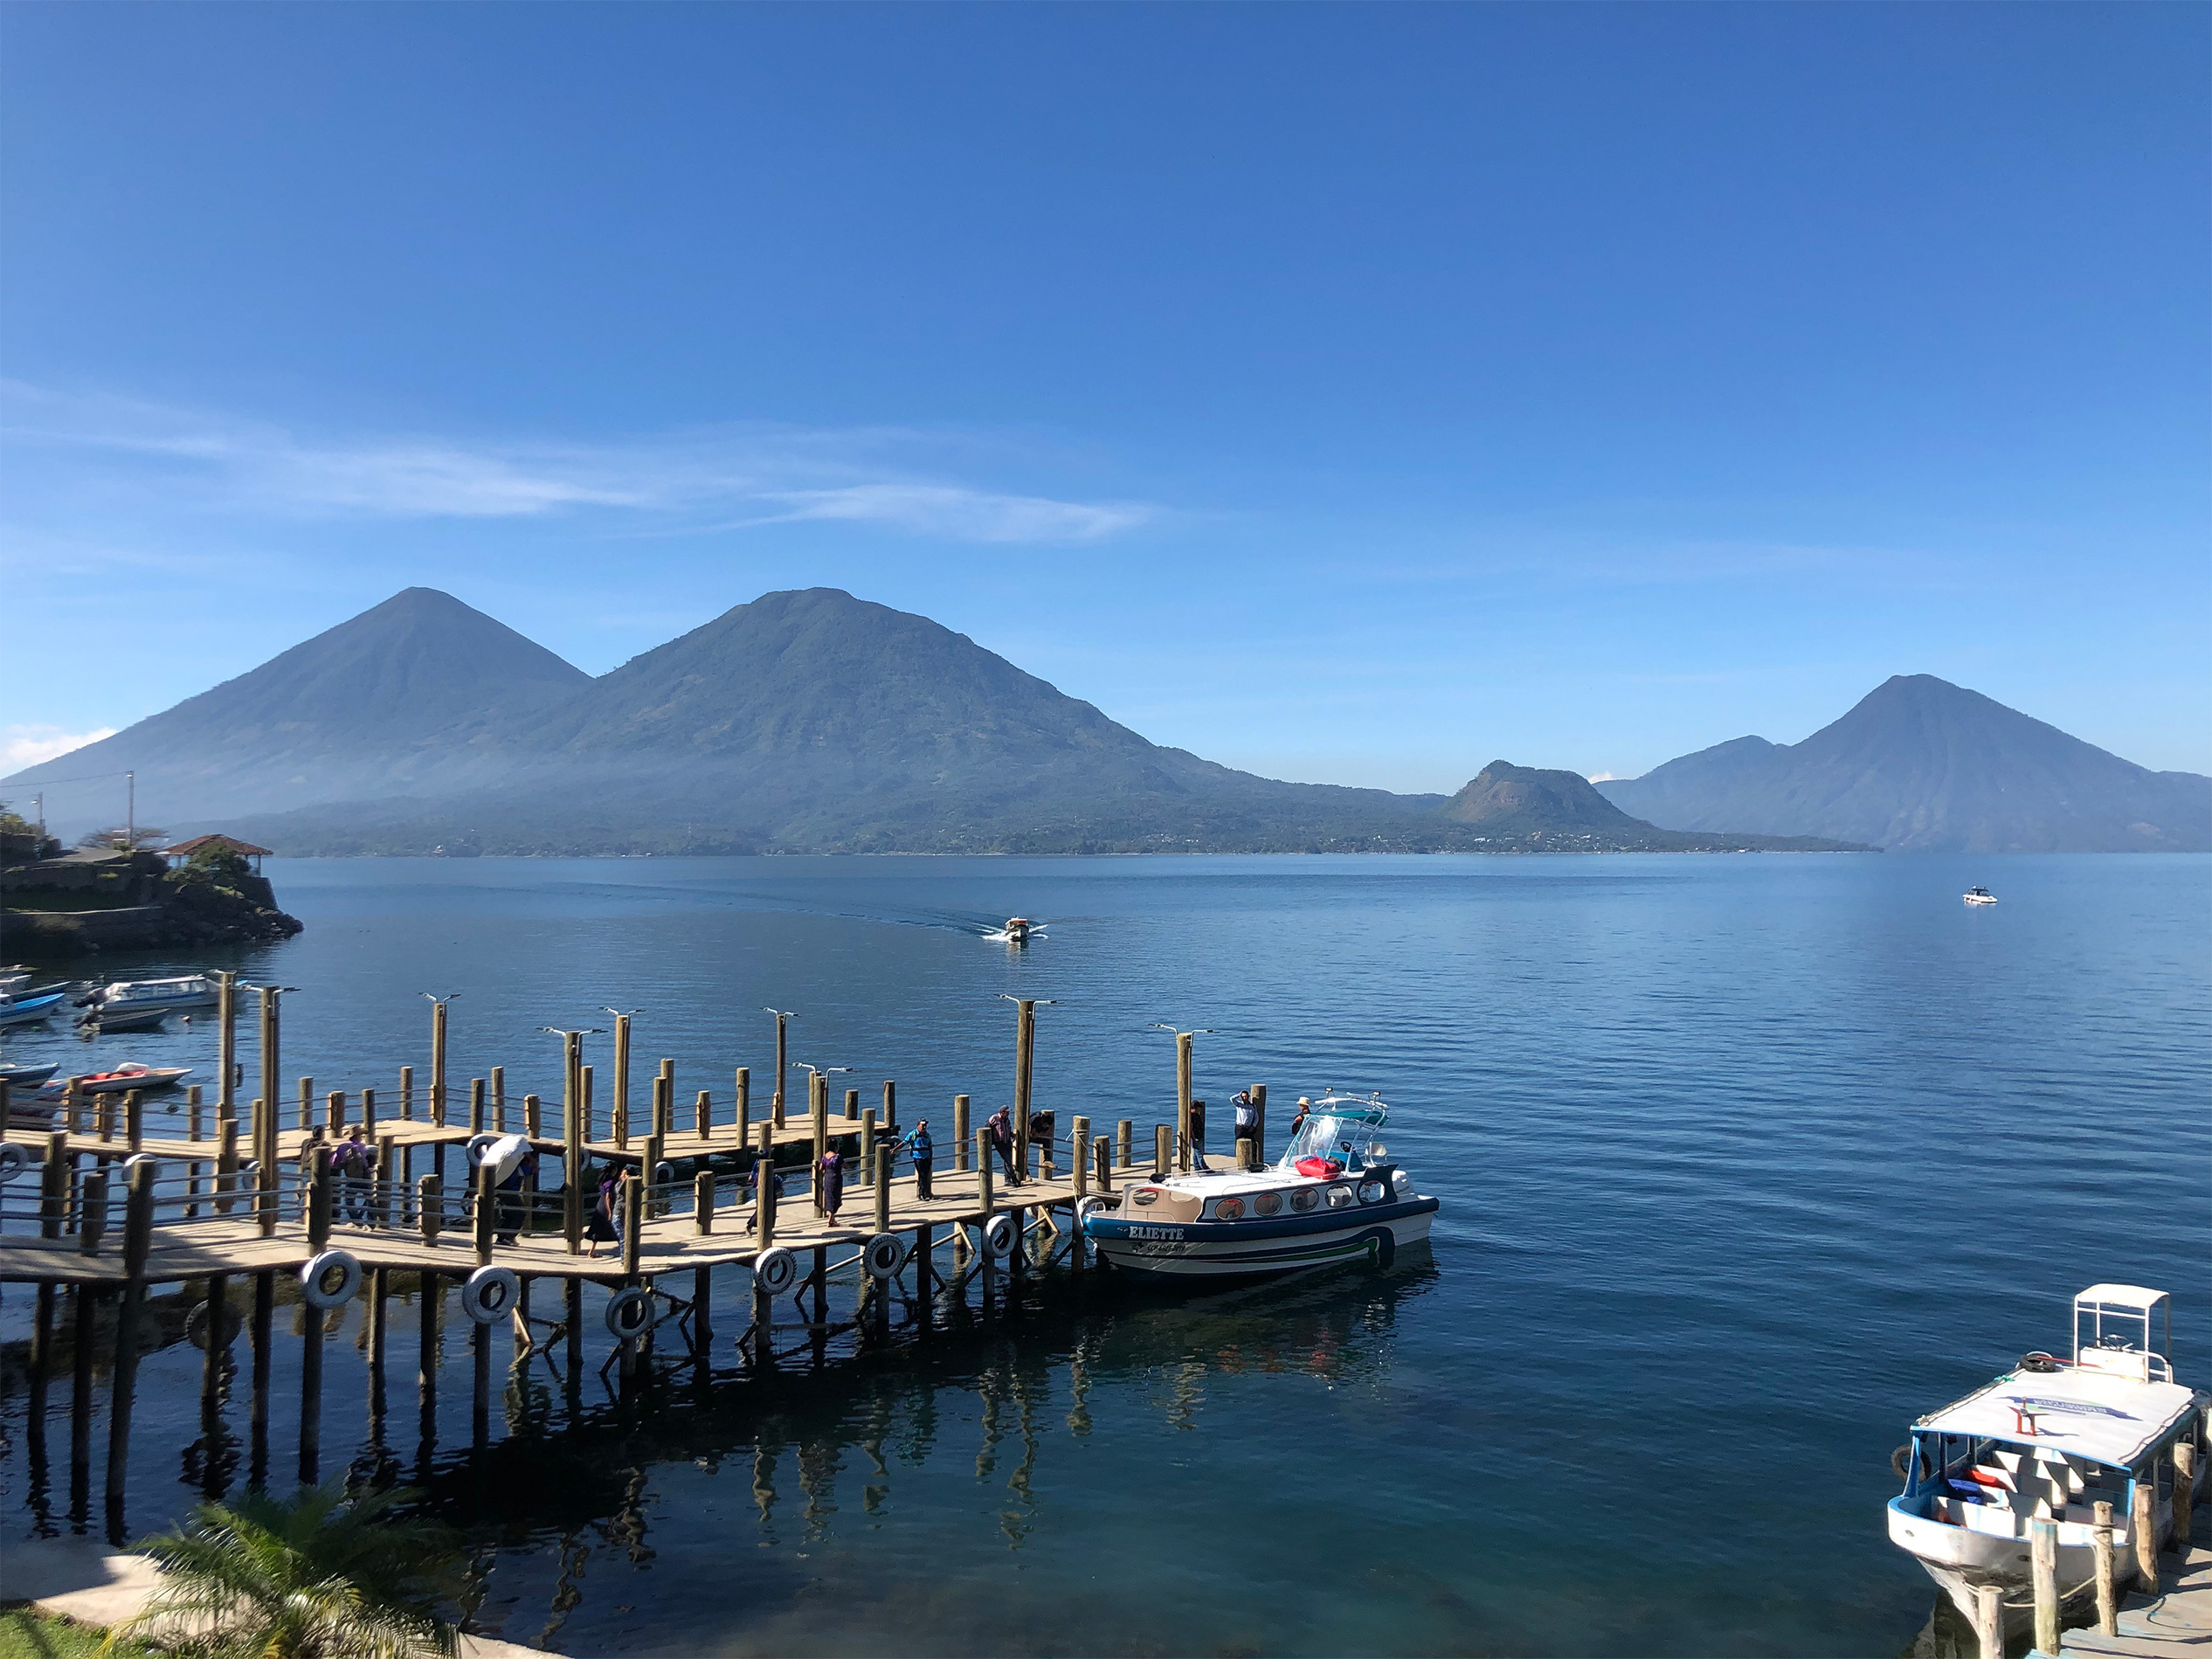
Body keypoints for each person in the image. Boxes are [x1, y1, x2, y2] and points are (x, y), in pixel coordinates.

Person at [336, 1127, 375, 1224]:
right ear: (358, 1136)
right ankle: (371, 1222)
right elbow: (365, 1163)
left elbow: (335, 1161)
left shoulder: (342, 1147)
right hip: (364, 1174)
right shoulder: (362, 1146)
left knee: (349, 1200)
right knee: (370, 1198)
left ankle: (356, 1219)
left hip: (351, 1176)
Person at [586, 1166, 620, 1257]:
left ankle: (592, 1251)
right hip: (606, 1206)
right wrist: (610, 1211)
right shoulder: (611, 1182)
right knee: (617, 1227)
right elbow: (608, 1197)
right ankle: (624, 1250)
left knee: (598, 1229)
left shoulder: (603, 1181)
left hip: (600, 1205)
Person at [987, 1105, 1021, 1185]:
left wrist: (1012, 1135)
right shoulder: (994, 1118)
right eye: (1007, 1112)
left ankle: (1007, 1179)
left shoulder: (1007, 1120)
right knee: (1008, 1161)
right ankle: (1013, 1178)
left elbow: (1008, 1130)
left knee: (1008, 1161)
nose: (1008, 1114)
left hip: (1007, 1142)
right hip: (999, 1143)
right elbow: (987, 1128)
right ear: (1002, 1112)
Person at [903, 1117, 934, 1200]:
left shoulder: (927, 1135)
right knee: (922, 1175)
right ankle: (921, 1194)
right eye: (923, 1125)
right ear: (918, 1126)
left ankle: (927, 1192)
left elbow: (930, 1147)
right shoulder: (913, 1134)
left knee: (926, 1175)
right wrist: (894, 1149)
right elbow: (904, 1142)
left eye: (925, 1126)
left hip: (926, 1157)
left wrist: (931, 1158)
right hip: (918, 1158)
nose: (924, 1127)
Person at [817, 1146, 845, 1226]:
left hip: (827, 1178)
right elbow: (846, 1166)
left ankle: (832, 1219)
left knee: (829, 1197)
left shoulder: (825, 1156)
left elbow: (821, 1167)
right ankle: (830, 1222)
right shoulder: (837, 1157)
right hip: (836, 1178)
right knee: (835, 1198)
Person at [1233, 1089, 1260, 1165]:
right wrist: (1239, 1094)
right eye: (1243, 1097)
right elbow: (1232, 1099)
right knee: (1238, 1143)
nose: (1244, 1098)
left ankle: (1254, 1162)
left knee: (1254, 1144)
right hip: (1240, 1127)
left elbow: (1256, 1117)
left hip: (1249, 1128)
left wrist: (1253, 1126)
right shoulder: (1239, 1105)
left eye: (1246, 1096)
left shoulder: (1253, 1106)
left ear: (1248, 1097)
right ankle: (1239, 1160)